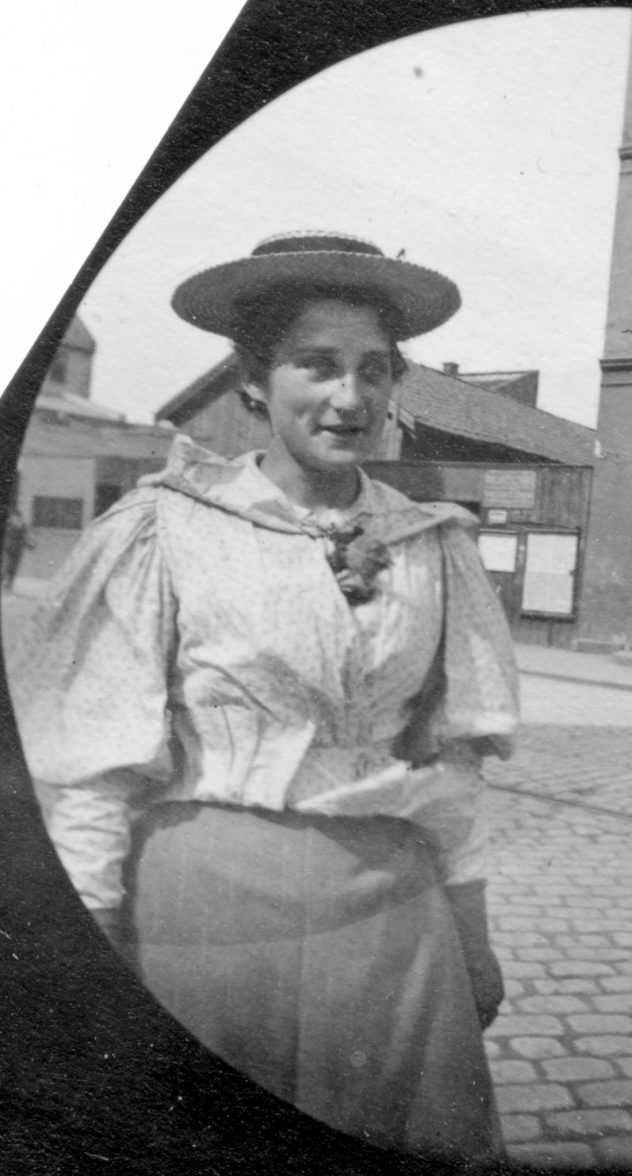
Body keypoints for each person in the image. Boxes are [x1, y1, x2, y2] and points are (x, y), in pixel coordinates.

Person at [9, 231, 519, 1160]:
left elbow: (454, 772)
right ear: (253, 378)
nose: (349, 397)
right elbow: (89, 776)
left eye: (373, 369)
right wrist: (95, 947)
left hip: (391, 922)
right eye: (316, 365)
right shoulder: (165, 528)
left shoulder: (432, 544)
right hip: (202, 921)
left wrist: (473, 939)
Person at [2, 505, 32, 590]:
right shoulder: (22, 525)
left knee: (7, 565)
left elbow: (23, 538)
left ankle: (7, 582)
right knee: (12, 566)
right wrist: (29, 545)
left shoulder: (8, 523)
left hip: (9, 548)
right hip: (15, 549)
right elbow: (24, 538)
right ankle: (8, 583)